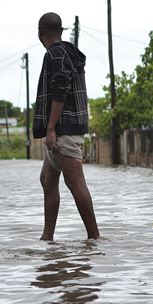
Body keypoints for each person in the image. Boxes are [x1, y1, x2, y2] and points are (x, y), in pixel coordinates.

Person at [33, 12, 100, 241]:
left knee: (75, 182)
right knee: (47, 179)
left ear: (41, 34)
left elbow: (60, 91)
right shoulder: (69, 54)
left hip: (64, 129)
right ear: (60, 32)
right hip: (68, 126)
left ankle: (94, 238)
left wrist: (50, 128)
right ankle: (47, 237)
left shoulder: (55, 55)